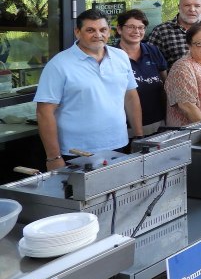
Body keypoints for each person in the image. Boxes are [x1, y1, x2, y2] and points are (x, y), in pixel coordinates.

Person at [34, 9, 143, 170]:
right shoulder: (59, 65)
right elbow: (44, 112)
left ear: (109, 31)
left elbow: (130, 97)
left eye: (103, 30)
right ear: (77, 32)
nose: (98, 35)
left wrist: (139, 136)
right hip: (76, 151)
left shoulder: (120, 56)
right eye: (90, 30)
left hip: (118, 144)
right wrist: (53, 157)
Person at [115, 9, 168, 136]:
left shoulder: (153, 51)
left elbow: (166, 84)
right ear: (119, 29)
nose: (136, 31)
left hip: (157, 123)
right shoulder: (111, 56)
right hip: (124, 127)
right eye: (131, 27)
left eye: (141, 27)